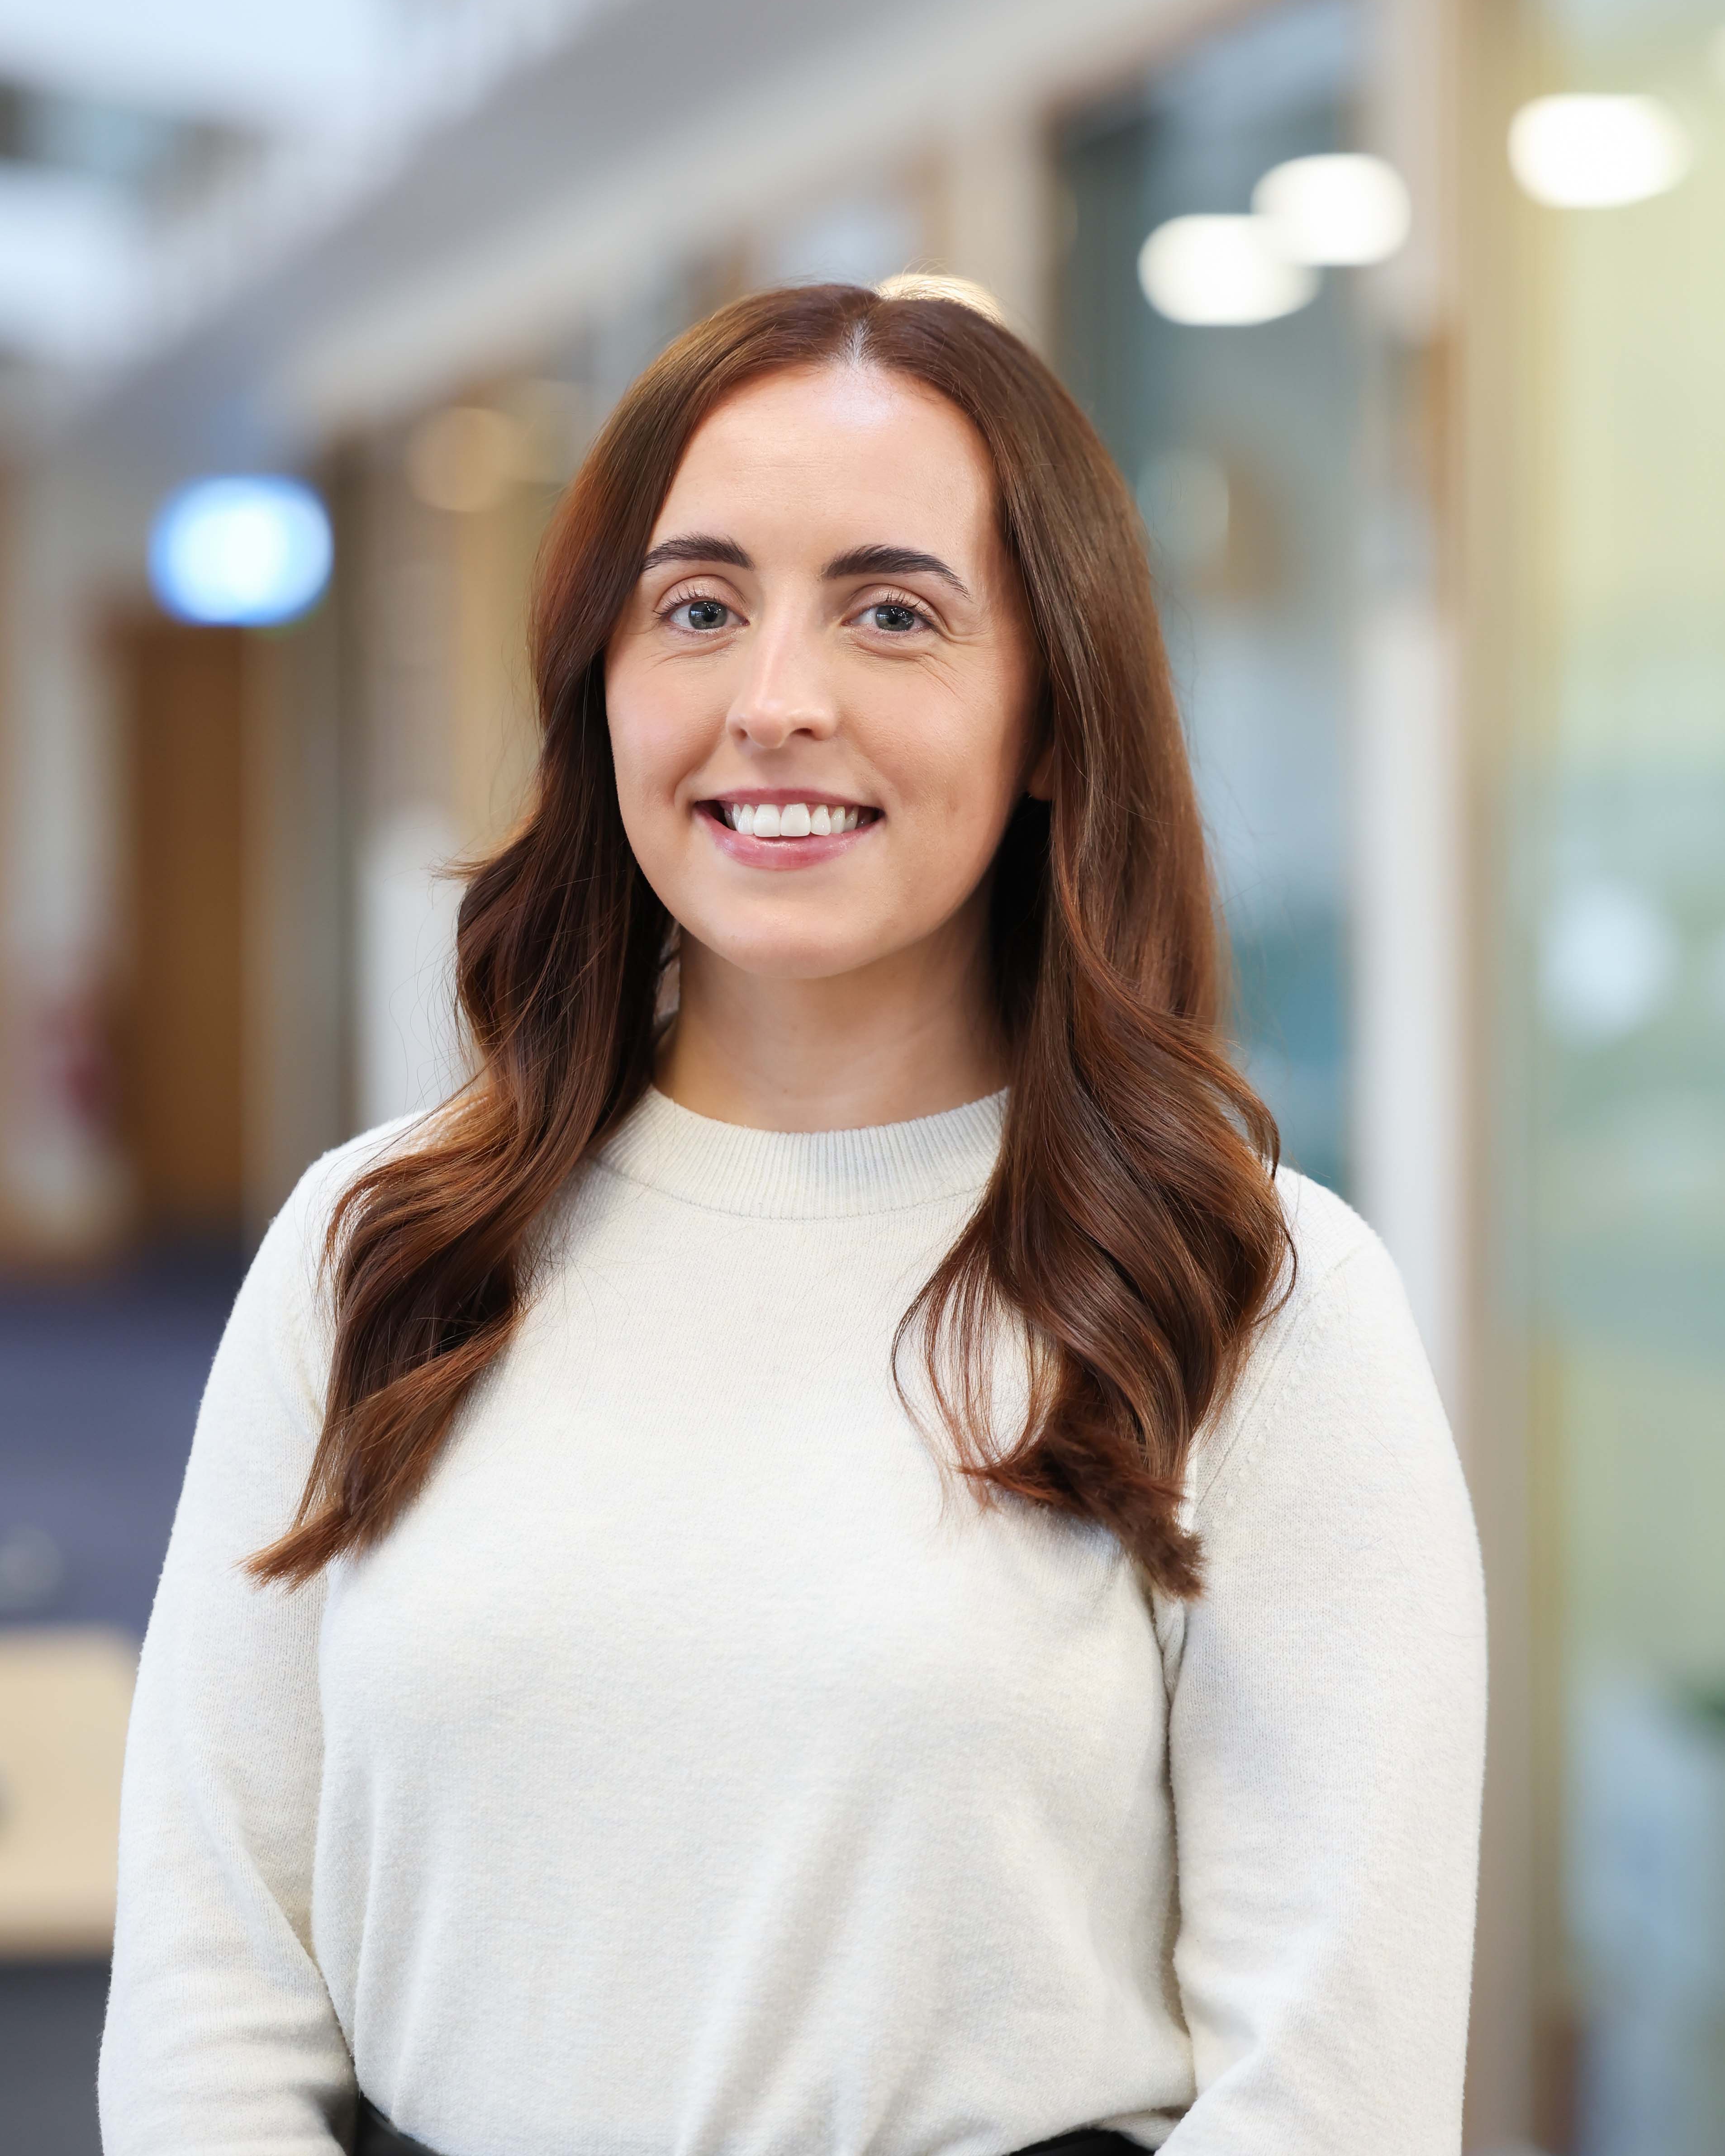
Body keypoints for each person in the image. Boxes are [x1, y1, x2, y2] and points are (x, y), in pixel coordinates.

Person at [99, 282, 1486, 2156]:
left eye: (893, 612)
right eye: (697, 607)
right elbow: (211, 1979)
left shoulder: (1250, 1291)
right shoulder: (382, 1245)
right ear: (603, 684)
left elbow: (1330, 2091)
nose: (775, 703)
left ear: (1053, 713)